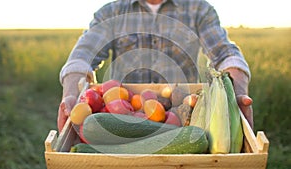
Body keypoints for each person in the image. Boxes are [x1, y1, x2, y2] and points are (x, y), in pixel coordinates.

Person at [57, 0, 253, 132]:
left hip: (184, 120)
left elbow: (225, 53)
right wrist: (70, 93)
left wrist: (237, 90)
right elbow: (82, 56)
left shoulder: (198, 8)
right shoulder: (112, 11)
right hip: (122, 123)